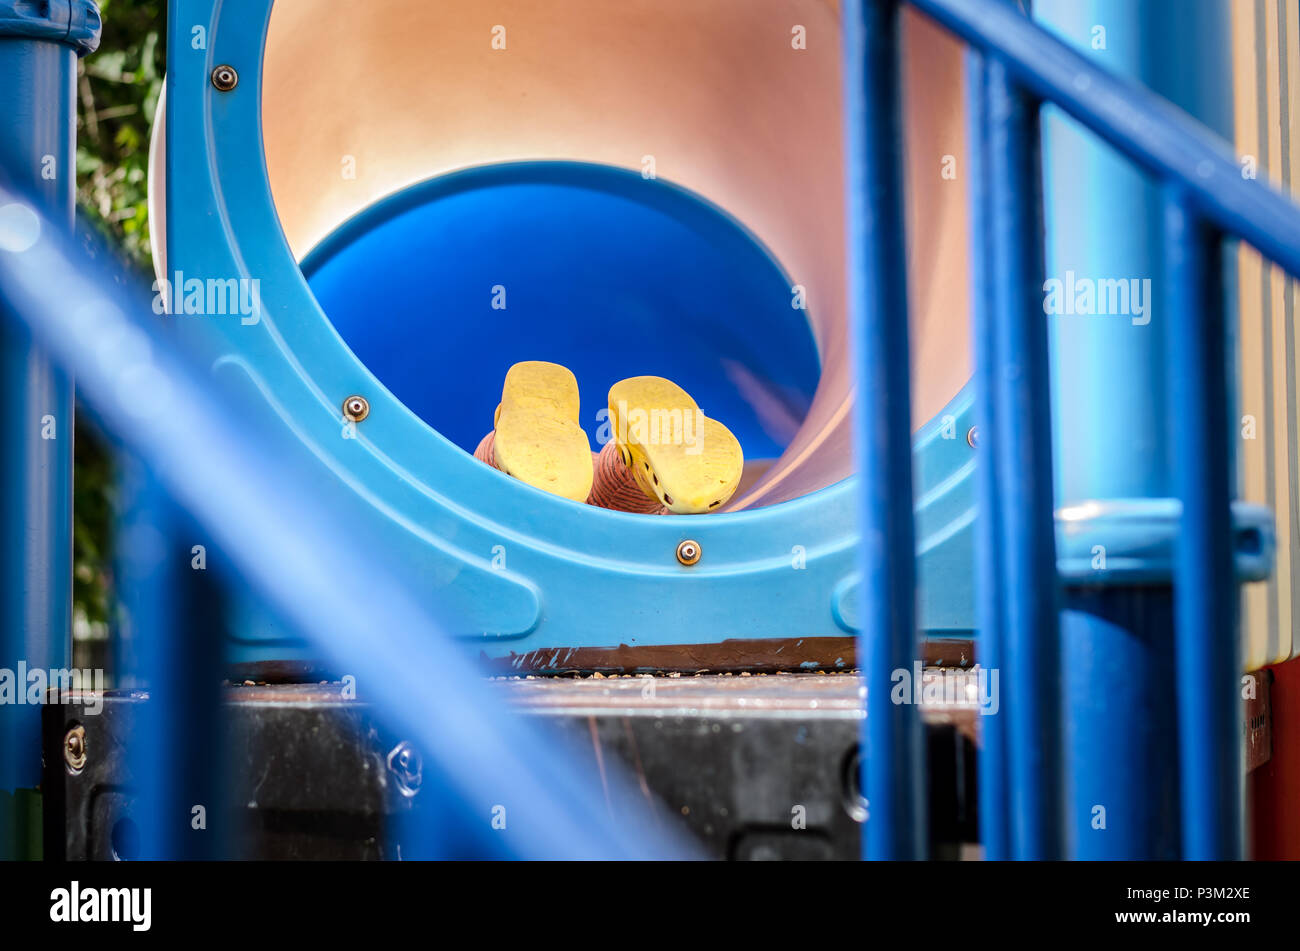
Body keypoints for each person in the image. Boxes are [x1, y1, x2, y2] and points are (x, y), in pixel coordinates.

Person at [474, 361, 743, 514]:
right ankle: (630, 461)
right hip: (584, 477)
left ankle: (517, 450)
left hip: (568, 476)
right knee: (625, 494)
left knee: (504, 489)